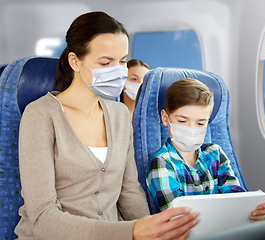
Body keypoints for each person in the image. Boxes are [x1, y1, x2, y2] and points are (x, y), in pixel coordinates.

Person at [15, 11, 198, 240]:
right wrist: (132, 231)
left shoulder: (119, 114)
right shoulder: (40, 115)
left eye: (122, 61)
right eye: (105, 62)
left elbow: (129, 191)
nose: (118, 70)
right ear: (75, 61)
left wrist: (153, 231)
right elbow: (43, 218)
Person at [146, 78, 265, 222]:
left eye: (200, 123)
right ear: (165, 118)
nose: (191, 129)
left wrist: (252, 208)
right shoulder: (161, 163)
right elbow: (177, 218)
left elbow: (233, 195)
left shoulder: (215, 153)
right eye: (182, 121)